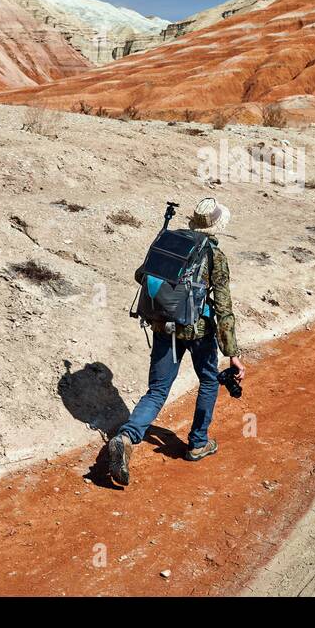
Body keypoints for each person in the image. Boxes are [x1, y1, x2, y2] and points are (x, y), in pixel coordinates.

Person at [108, 197, 245, 485]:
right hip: (197, 330)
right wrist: (232, 353)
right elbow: (223, 306)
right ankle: (197, 443)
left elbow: (139, 275)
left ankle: (126, 436)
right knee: (208, 381)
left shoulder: (170, 242)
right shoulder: (214, 256)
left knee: (157, 390)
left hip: (162, 327)